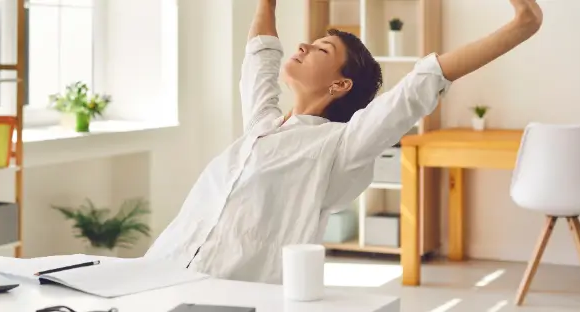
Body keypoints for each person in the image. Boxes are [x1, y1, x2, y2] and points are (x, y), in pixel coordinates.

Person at [145, 0, 543, 284]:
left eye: (321, 49)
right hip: (158, 271)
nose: (303, 46)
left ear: (340, 84)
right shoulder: (262, 125)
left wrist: (523, 23)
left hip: (226, 293)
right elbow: (260, 55)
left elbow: (422, 84)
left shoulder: (340, 147)